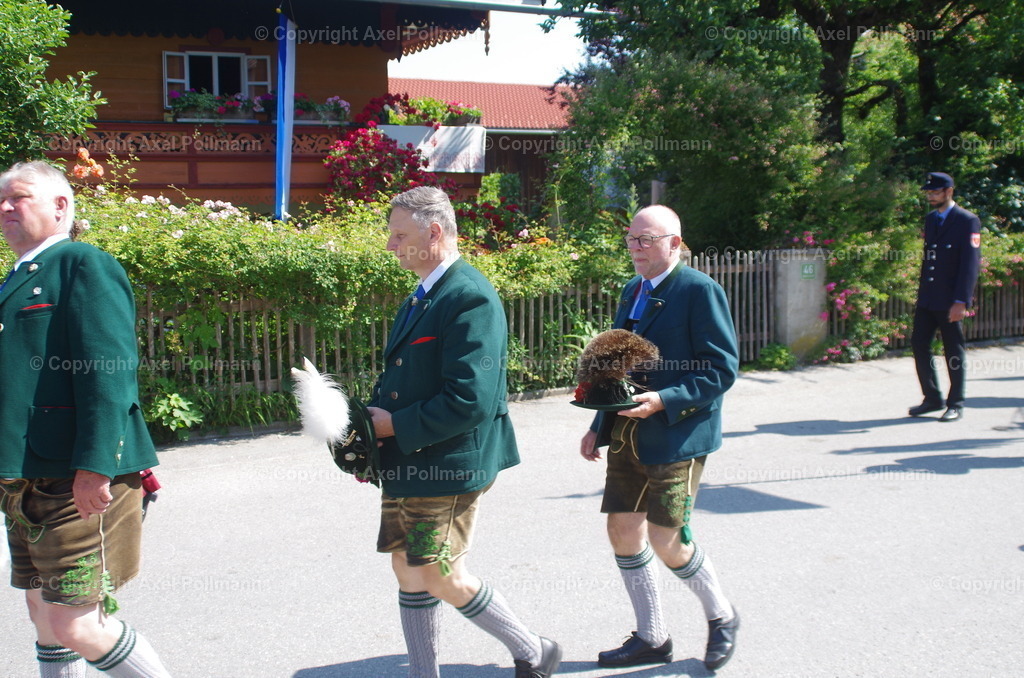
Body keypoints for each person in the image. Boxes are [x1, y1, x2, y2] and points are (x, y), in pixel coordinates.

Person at [365, 186, 561, 678]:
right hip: (410, 456)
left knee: (437, 571)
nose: (390, 245)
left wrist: (393, 426)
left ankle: (534, 650)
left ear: (434, 232)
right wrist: (368, 438)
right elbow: (403, 377)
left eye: (399, 235)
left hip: (447, 463)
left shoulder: (469, 295)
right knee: (407, 567)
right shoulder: (423, 293)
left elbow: (471, 399)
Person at [0, 160, 170, 677]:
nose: (4, 207)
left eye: (18, 197)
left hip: (76, 480)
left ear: (60, 206)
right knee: (42, 613)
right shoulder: (19, 276)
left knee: (78, 624)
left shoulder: (82, 263)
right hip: (26, 478)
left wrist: (97, 465)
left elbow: (109, 373)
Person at [578, 205, 741, 671]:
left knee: (668, 539)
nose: (636, 248)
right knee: (622, 530)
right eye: (632, 239)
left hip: (676, 434)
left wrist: (664, 400)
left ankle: (722, 615)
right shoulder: (633, 290)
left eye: (646, 240)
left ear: (675, 244)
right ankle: (652, 636)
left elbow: (720, 369)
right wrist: (597, 426)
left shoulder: (699, 290)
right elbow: (615, 364)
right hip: (627, 433)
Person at [908, 172, 981, 423]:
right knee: (919, 344)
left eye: (935, 192)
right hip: (929, 297)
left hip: (951, 299)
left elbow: (970, 264)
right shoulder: (931, 219)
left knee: (953, 350)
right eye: (928, 192)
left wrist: (961, 301)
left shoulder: (967, 220)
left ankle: (956, 403)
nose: (930, 196)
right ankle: (932, 398)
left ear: (949, 191)